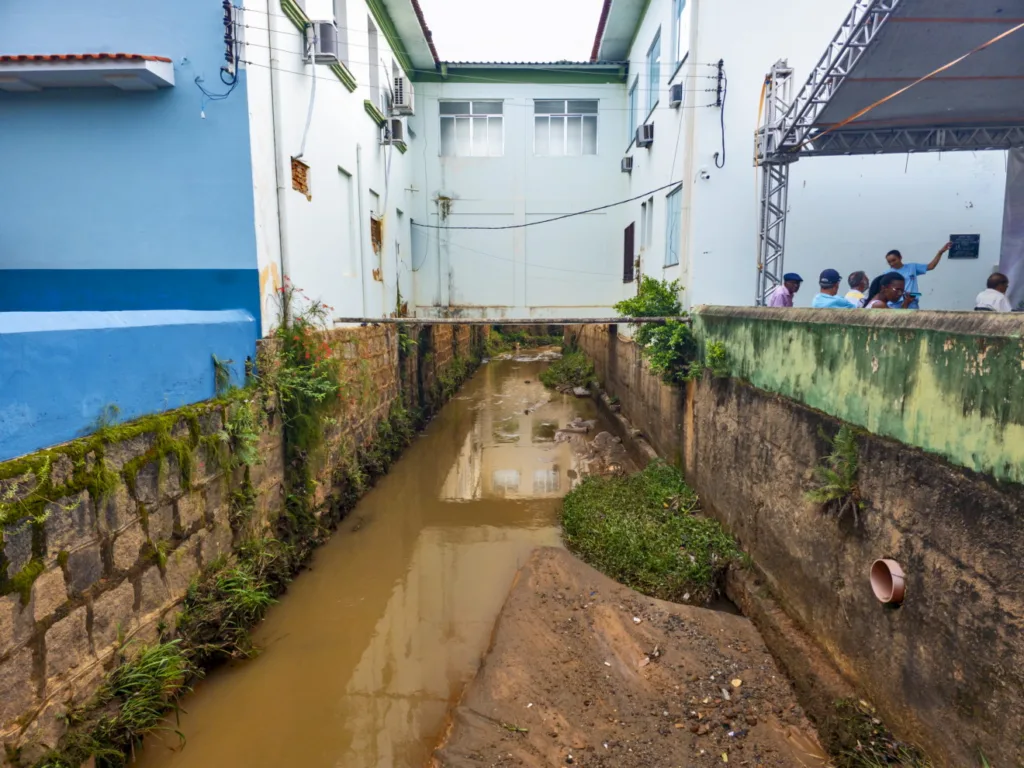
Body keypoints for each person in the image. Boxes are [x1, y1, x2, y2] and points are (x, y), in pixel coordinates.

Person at [884, 242, 952, 309]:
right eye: (889, 262)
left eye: (894, 260)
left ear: (900, 257)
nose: (892, 263)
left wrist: (940, 252)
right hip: (894, 304)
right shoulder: (887, 273)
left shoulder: (912, 267)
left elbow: (931, 266)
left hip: (911, 302)